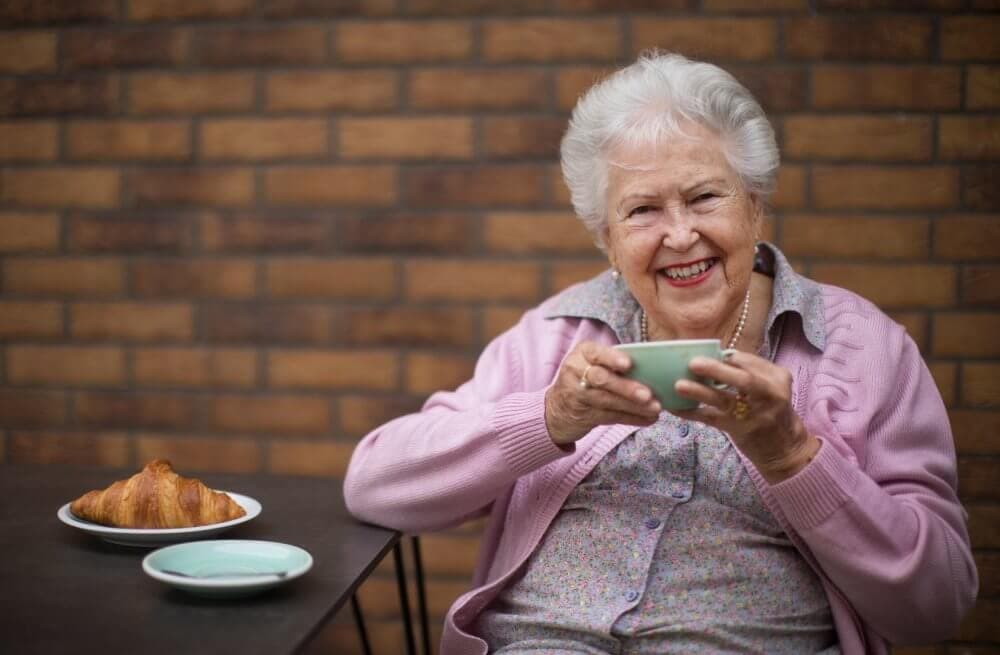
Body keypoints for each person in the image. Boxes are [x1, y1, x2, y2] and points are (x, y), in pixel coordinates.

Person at [344, 52, 977, 654]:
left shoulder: (858, 346)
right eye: (643, 210)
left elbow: (937, 601)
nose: (680, 234)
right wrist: (549, 419)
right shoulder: (559, 334)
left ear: (755, 205)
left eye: (705, 197)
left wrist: (791, 454)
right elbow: (375, 485)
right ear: (607, 241)